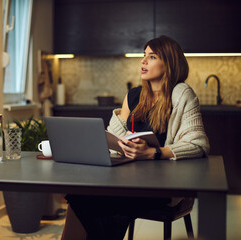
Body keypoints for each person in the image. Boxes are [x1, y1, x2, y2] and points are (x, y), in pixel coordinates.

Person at [64, 35, 210, 240]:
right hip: (126, 179)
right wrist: (120, 141)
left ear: (168, 63)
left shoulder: (181, 93)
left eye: (152, 57)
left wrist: (154, 152)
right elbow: (112, 138)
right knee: (81, 196)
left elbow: (198, 144)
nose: (143, 61)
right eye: (143, 55)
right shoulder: (133, 96)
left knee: (100, 204)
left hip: (162, 184)